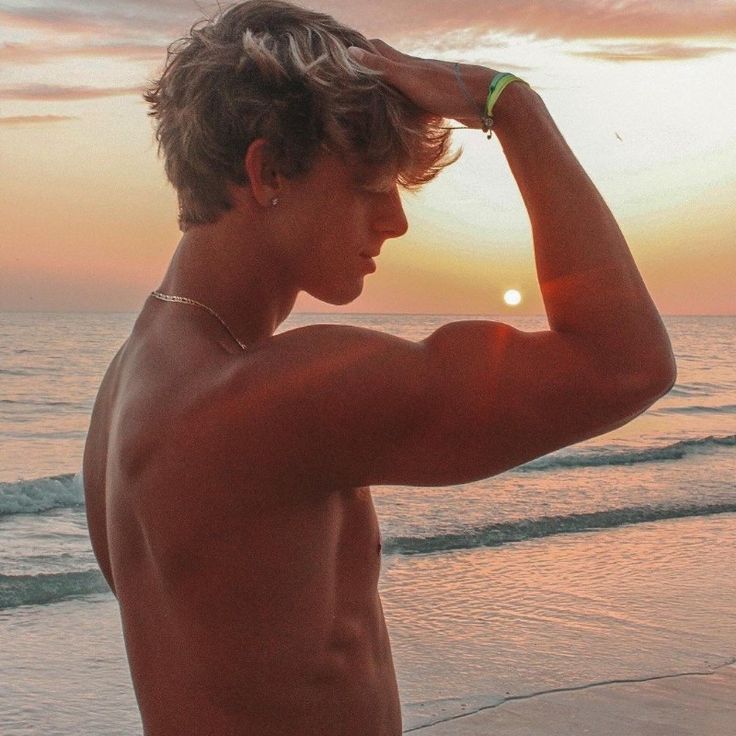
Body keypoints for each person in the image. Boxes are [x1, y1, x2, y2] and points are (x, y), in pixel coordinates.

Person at [82, 1, 676, 734]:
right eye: (369, 183)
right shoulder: (271, 400)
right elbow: (625, 363)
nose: (396, 220)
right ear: (267, 172)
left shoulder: (130, 382)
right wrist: (509, 103)